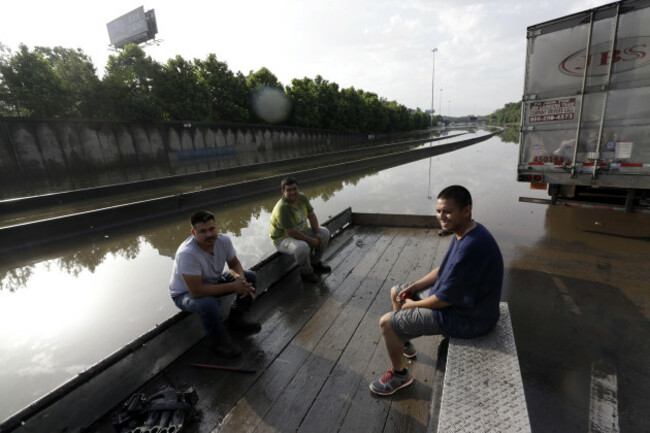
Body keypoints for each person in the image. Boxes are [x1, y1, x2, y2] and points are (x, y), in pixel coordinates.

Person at [369, 185, 504, 395]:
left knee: (386, 323)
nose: (442, 217)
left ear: (467, 210)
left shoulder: (473, 245)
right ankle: (404, 342)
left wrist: (413, 304)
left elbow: (443, 300)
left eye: (448, 211)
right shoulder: (463, 231)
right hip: (461, 305)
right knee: (397, 291)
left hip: (469, 319)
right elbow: (442, 269)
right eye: (439, 211)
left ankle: (400, 375)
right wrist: (413, 288)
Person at [169, 210, 261, 357]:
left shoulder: (223, 241)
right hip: (185, 293)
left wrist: (241, 280)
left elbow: (234, 264)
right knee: (209, 304)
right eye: (202, 231)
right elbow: (197, 291)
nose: (209, 235)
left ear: (216, 227)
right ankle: (217, 340)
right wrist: (233, 286)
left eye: (212, 229)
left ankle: (236, 320)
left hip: (213, 280)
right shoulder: (187, 254)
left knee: (251, 277)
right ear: (193, 232)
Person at [269, 176, 331, 283]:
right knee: (302, 247)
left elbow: (311, 216)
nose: (293, 192)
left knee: (324, 233)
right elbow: (291, 232)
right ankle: (306, 272)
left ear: (298, 189)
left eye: (295, 189)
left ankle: (315, 262)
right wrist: (312, 240)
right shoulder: (282, 208)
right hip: (282, 238)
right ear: (283, 191)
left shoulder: (302, 198)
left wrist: (317, 233)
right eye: (289, 190)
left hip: (300, 230)